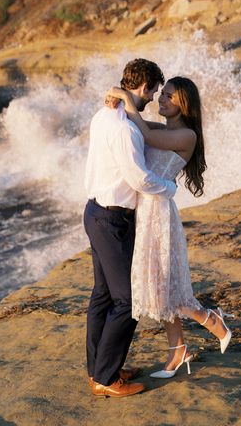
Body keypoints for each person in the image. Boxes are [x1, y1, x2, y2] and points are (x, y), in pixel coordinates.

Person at [106, 76, 232, 379]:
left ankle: (211, 319)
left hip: (159, 212)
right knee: (160, 284)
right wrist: (116, 99)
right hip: (145, 210)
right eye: (161, 94)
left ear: (183, 103)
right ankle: (179, 351)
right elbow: (140, 130)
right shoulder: (164, 129)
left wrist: (124, 96)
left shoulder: (187, 136)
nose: (161, 100)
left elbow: (147, 137)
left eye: (169, 96)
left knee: (163, 282)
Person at [84, 58, 177, 398]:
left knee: (103, 297)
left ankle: (99, 370)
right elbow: (138, 177)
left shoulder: (104, 115)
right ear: (142, 87)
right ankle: (106, 379)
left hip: (95, 211)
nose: (153, 98)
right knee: (129, 301)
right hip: (112, 219)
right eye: (153, 91)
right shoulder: (124, 128)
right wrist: (170, 189)